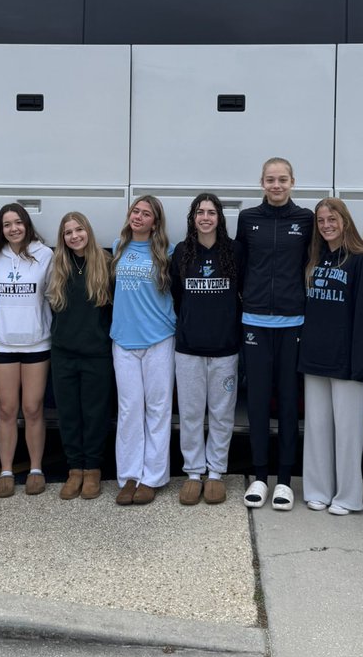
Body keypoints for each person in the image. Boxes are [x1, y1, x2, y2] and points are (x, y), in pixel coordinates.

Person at [237, 157, 313, 511]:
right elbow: (240, 265)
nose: (277, 185)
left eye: (283, 179)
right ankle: (259, 477)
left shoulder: (306, 220)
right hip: (254, 322)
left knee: (286, 402)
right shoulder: (248, 218)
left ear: (293, 182)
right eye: (270, 179)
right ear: (262, 182)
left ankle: (284, 481)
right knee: (256, 402)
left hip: (292, 323)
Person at [300, 198, 363, 515]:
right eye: (321, 220)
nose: (326, 225)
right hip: (315, 357)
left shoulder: (362, 260)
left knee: (347, 434)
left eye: (332, 219)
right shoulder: (315, 259)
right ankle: (317, 490)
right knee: (317, 429)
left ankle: (347, 497)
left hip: (348, 362)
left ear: (345, 221)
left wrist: (361, 364)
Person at [171, 193, 244, 504]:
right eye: (200, 212)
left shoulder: (235, 251)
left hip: (225, 348)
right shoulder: (181, 252)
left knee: (221, 413)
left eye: (211, 212)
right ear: (193, 217)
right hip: (188, 348)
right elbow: (177, 295)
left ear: (219, 218)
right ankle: (192, 472)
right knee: (189, 413)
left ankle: (215, 472)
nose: (205, 217)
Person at [110, 195, 176, 505]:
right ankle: (129, 476)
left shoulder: (166, 251)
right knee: (129, 409)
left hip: (158, 338)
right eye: (135, 211)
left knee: (158, 409)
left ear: (155, 221)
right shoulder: (118, 247)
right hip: (124, 340)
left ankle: (152, 477)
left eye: (146, 213)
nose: (138, 216)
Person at [47, 212, 114, 500]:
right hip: (63, 352)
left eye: (79, 230)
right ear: (62, 238)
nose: (74, 236)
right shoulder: (57, 265)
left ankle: (93, 470)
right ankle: (75, 469)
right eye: (68, 232)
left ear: (88, 230)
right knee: (69, 414)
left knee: (95, 414)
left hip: (96, 353)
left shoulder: (106, 264)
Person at [0, 204, 53, 498]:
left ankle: (36, 469)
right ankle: (5, 471)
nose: (13, 229)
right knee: (6, 409)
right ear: (0, 230)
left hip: (36, 342)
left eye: (18, 223)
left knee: (32, 408)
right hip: (2, 342)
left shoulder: (45, 255)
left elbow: (54, 294)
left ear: (27, 224)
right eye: (7, 224)